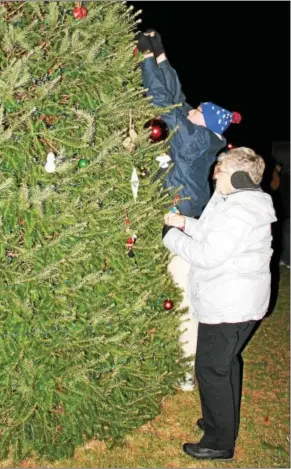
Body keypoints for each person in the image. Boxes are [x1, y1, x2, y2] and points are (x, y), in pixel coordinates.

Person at [137, 29, 242, 390]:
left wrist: (144, 57)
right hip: (176, 218)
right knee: (173, 292)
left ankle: (184, 370)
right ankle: (165, 354)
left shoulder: (194, 139)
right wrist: (161, 56)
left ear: (206, 123)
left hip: (178, 223)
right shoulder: (199, 132)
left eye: (198, 112)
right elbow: (177, 98)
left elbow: (162, 101)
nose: (192, 110)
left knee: (181, 294)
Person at [162, 147, 277, 460]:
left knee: (212, 369)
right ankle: (219, 421)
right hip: (236, 300)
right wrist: (184, 223)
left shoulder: (240, 210)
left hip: (230, 304)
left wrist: (170, 237)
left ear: (238, 177)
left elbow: (208, 255)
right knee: (224, 365)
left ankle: (219, 442)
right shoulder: (239, 203)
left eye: (221, 170)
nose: (215, 174)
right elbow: (212, 234)